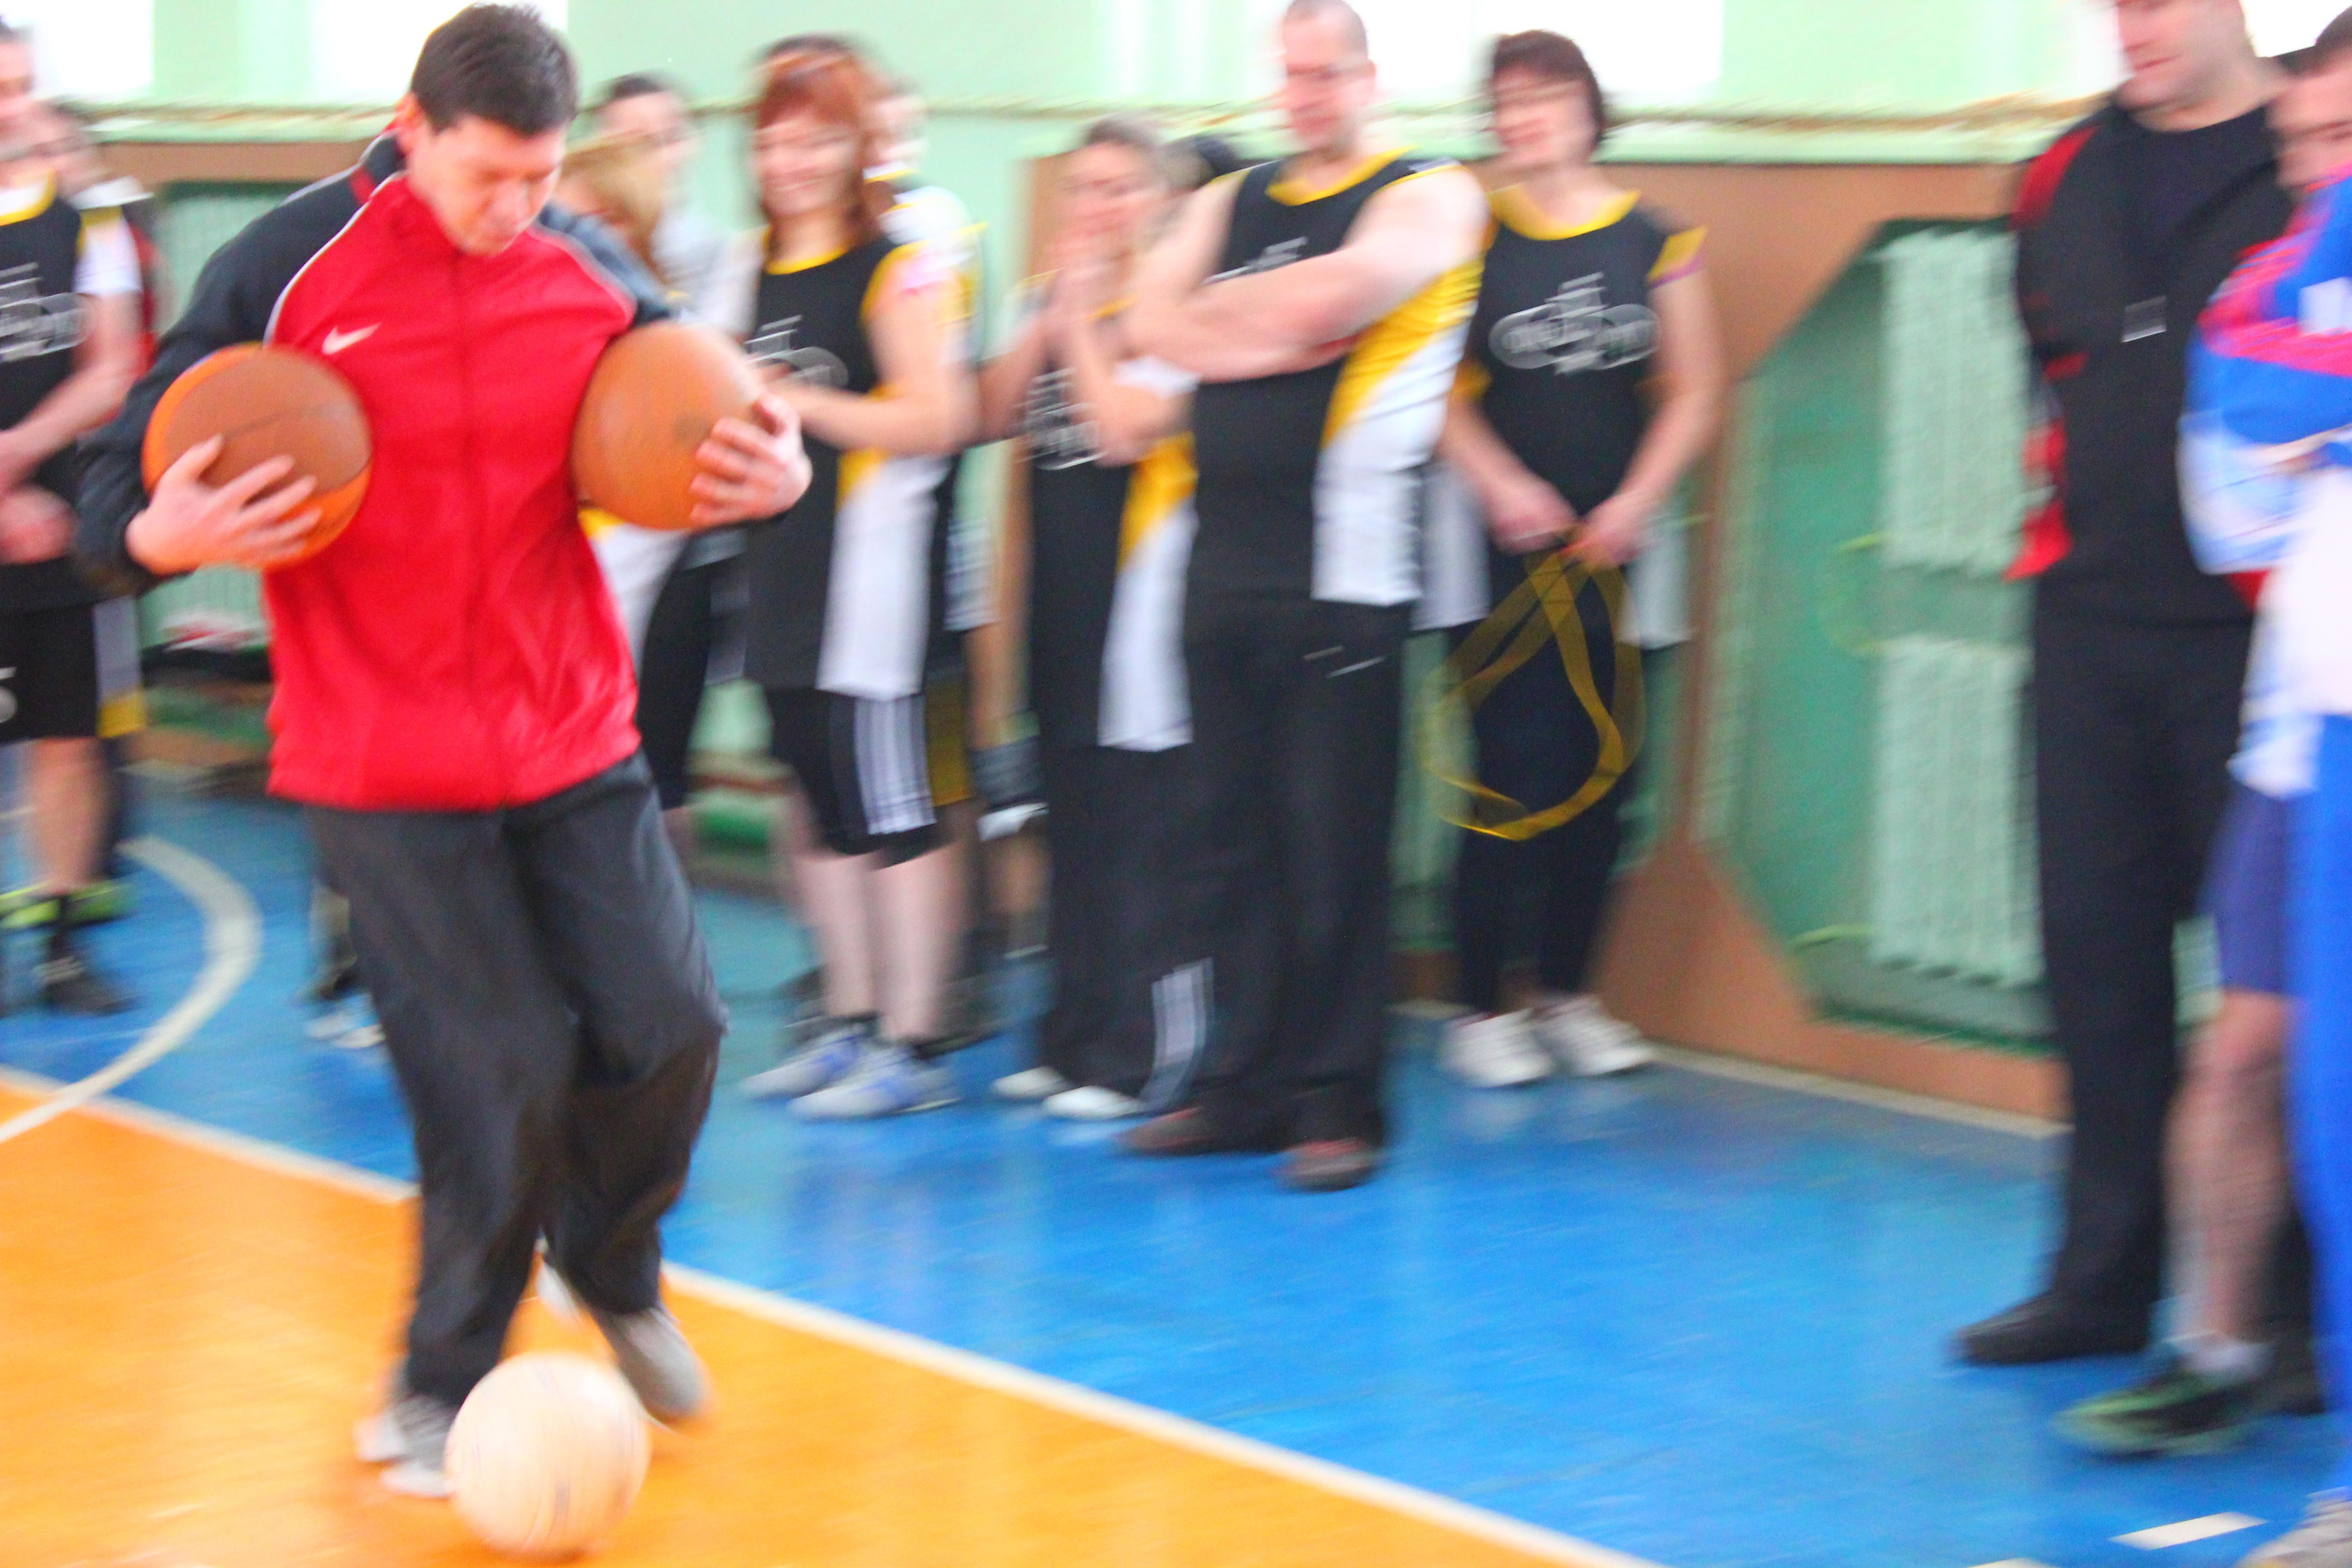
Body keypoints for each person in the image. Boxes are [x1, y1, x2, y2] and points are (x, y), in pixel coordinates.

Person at [77, 5, 810, 1496]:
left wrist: (778, 464)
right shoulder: (285, 267)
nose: (518, 209)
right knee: (501, 1066)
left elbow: (711, 408)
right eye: (488, 176)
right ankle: (440, 1377)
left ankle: (610, 1263)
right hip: (380, 752)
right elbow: (114, 485)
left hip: (569, 726)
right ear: (410, 132)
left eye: (542, 177)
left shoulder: (584, 261)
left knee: (675, 1022)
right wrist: (159, 532)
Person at [1957, 0, 2296, 1367]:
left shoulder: (2308, 149)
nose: (2127, 26)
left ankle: (2284, 1311)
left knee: (2277, 984)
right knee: (2095, 962)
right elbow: (2053, 366)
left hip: (2256, 641)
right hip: (2088, 623)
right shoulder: (2059, 176)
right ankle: (2101, 1278)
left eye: (2153, 2)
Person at [1122, 0, 1487, 1192]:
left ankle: (1337, 1102)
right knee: (1231, 840)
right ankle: (1241, 1087)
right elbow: (1145, 319)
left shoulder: (1430, 192)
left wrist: (1224, 322)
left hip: (1345, 576)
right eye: (1289, 75)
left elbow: (1333, 302)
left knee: (1331, 847)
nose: (1305, 95)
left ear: (1369, 77)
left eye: (1326, 73)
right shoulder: (1231, 199)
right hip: (1221, 563)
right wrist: (1257, 331)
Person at [2056, 34, 2352, 1458]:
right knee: (2244, 1054)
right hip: (2306, 730)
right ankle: (2218, 1347)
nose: (2315, 173)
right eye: (2300, 144)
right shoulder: (2272, 285)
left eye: (2343, 140)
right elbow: (2239, 437)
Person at [1422, 29, 1723, 1089]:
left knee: (1605, 776)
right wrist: (1500, 482)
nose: (1523, 118)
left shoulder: (1658, 241)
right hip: (1495, 558)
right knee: (1507, 770)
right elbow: (1432, 389)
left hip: (1618, 558)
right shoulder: (1466, 237)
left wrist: (1638, 500)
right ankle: (1477, 1007)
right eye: (1504, 101)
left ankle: (1567, 992)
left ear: (1590, 110)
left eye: (1543, 96)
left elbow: (1695, 390)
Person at [714, 48, 977, 1118]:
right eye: (774, 142)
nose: (792, 162)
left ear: (859, 147)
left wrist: (798, 404)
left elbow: (940, 414)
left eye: (816, 140)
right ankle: (849, 1020)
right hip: (779, 572)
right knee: (816, 801)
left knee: (892, 810)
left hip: (872, 585)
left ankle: (913, 1043)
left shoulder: (895, 267)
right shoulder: (747, 268)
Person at [974, 116, 1204, 1121]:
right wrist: (1048, 318)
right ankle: (1071, 1034)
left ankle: (1140, 1053)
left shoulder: (1176, 310)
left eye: (1119, 188)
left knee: (1137, 827)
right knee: (1066, 820)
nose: (1097, 208)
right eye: (1083, 189)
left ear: (1159, 201)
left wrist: (1075, 326)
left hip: (1143, 602)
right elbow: (988, 415)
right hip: (1060, 602)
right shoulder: (1048, 300)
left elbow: (1118, 433)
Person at [0, 23, 142, 1016]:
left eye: (22, 85)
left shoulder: (89, 217)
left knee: (67, 735)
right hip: (20, 509)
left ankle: (60, 943)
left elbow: (113, 364)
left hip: (58, 520)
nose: (12, 106)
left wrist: (15, 458)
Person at [594, 72, 722, 304]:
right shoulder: (580, 245)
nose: (659, 158)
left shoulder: (717, 254)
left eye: (670, 138)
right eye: (638, 143)